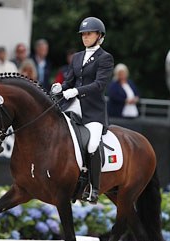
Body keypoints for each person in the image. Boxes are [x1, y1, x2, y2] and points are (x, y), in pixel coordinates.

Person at [51, 17, 114, 204]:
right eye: (83, 34)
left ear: (99, 36)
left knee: (93, 145)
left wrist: (75, 91)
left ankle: (94, 188)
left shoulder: (105, 58)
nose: (85, 37)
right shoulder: (77, 57)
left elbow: (99, 84)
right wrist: (60, 87)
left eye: (89, 34)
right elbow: (69, 80)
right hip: (72, 106)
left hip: (92, 112)